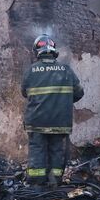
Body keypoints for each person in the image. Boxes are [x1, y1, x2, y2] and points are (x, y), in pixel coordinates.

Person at [21, 34, 84, 187]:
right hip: (60, 121)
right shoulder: (66, 70)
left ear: (37, 51)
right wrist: (63, 101)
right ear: (53, 51)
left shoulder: (31, 71)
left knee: (37, 151)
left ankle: (37, 184)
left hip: (36, 121)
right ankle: (55, 182)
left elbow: (24, 93)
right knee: (57, 151)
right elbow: (79, 93)